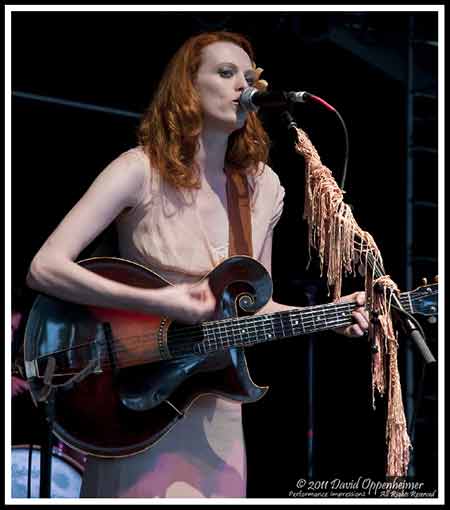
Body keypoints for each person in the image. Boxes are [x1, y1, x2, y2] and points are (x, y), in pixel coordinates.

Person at [26, 31, 369, 498]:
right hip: (134, 398)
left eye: (248, 78)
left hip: (217, 410)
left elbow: (253, 308)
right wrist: (161, 299)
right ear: (188, 87)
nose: (241, 87)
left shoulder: (261, 187)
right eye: (225, 74)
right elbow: (45, 266)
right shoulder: (138, 169)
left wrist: (329, 316)